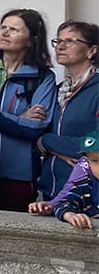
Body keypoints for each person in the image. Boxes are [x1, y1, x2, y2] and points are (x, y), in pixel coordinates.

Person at [0, 8, 56, 212]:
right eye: (3, 27)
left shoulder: (43, 77)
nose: (4, 33)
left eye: (14, 29)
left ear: (32, 40)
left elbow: (33, 129)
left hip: (18, 175)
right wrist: (17, 118)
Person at [35, 21, 99, 202]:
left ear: (91, 50)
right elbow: (37, 134)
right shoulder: (58, 90)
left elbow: (96, 143)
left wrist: (48, 142)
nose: (60, 46)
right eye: (58, 41)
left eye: (70, 41)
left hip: (86, 194)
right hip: (51, 190)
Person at [30, 133, 99, 230]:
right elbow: (63, 203)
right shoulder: (85, 185)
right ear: (87, 162)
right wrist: (70, 215)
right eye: (95, 161)